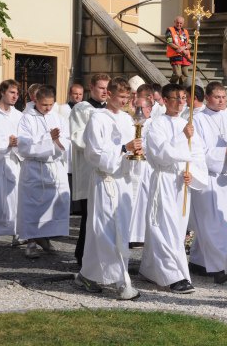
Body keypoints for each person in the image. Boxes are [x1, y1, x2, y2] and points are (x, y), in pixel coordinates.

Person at [74, 77, 142, 301]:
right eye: (121, 97)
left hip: (122, 181)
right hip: (105, 180)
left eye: (127, 97)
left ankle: (86, 274)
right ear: (109, 95)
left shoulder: (126, 119)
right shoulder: (97, 118)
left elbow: (131, 147)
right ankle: (123, 282)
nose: (125, 101)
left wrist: (137, 153)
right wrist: (124, 148)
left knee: (109, 231)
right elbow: (94, 153)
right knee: (109, 232)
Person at [139, 83, 208, 293]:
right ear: (166, 101)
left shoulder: (188, 125)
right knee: (162, 226)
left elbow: (198, 154)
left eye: (183, 98)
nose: (180, 102)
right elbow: (160, 153)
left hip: (181, 183)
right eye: (176, 98)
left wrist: (193, 173)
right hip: (165, 179)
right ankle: (173, 276)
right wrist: (182, 137)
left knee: (177, 230)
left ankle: (151, 270)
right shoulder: (155, 124)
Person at [190, 82, 227, 284]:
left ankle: (198, 261)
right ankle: (221, 268)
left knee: (225, 222)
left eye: (224, 96)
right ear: (208, 98)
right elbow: (199, 151)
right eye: (217, 97)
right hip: (208, 177)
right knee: (213, 225)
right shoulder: (198, 119)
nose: (221, 100)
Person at [17, 85, 71, 259]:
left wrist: (57, 141)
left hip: (53, 167)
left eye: (50, 104)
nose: (48, 108)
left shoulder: (58, 117)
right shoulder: (26, 119)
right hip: (34, 168)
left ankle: (45, 237)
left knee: (52, 204)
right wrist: (50, 139)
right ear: (35, 101)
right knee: (32, 206)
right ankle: (31, 241)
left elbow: (67, 140)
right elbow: (25, 145)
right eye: (44, 105)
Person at [70, 73, 109, 267]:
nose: (104, 92)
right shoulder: (81, 109)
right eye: (101, 87)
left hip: (108, 168)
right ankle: (82, 254)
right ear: (91, 88)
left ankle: (101, 255)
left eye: (106, 88)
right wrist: (100, 145)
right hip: (88, 167)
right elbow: (77, 137)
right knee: (88, 214)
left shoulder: (111, 111)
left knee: (104, 214)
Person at [0, 80, 23, 245]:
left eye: (17, 93)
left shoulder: (18, 115)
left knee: (14, 198)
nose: (15, 96)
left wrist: (18, 143)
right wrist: (5, 142)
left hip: (13, 161)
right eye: (11, 92)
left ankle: (17, 233)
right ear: (2, 92)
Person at [128, 96, 153, 247]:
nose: (137, 112)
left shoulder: (155, 124)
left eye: (141, 108)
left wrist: (146, 149)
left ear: (149, 109)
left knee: (143, 201)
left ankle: (141, 234)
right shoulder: (130, 122)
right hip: (132, 166)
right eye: (136, 107)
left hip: (147, 167)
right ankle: (130, 233)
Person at [166, 16, 192, 85]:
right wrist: (181, 50)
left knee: (185, 75)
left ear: (183, 24)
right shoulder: (170, 30)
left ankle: (181, 90)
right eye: (177, 23)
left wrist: (184, 48)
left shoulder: (185, 31)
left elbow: (190, 44)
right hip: (175, 55)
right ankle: (170, 86)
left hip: (185, 56)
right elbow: (169, 43)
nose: (179, 24)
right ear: (174, 22)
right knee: (177, 74)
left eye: (181, 23)